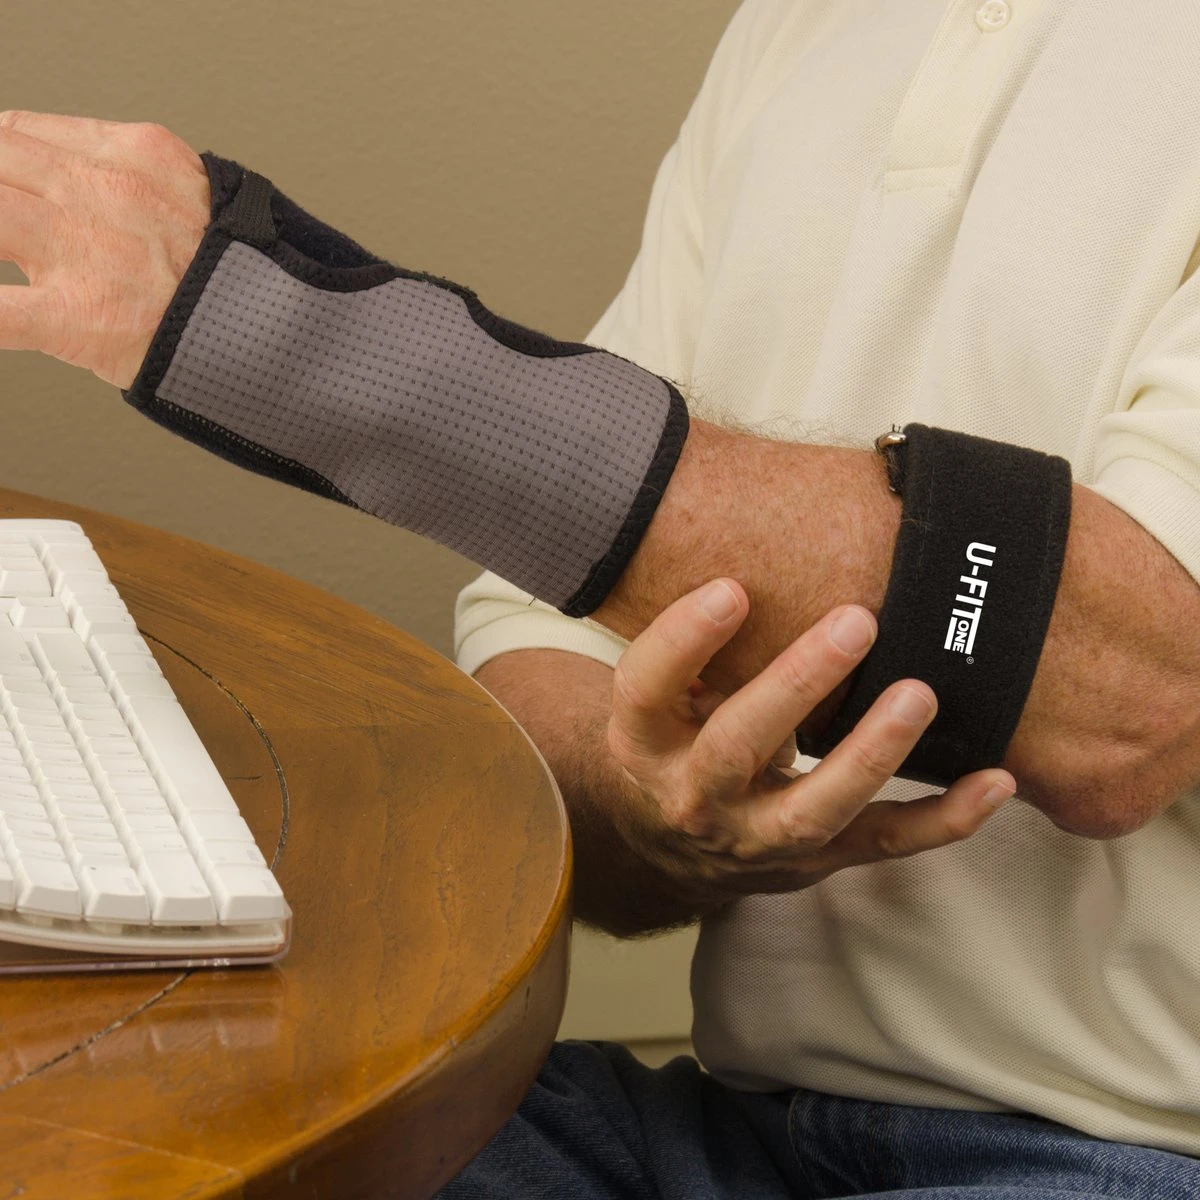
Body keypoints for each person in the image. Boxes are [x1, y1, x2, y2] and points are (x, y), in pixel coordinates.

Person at [0, 0, 1197, 1194]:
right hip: (725, 1134)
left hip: (1127, 1154)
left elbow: (1124, 690)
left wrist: (293, 340)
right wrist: (646, 793)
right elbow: (543, 631)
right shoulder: (806, 25)